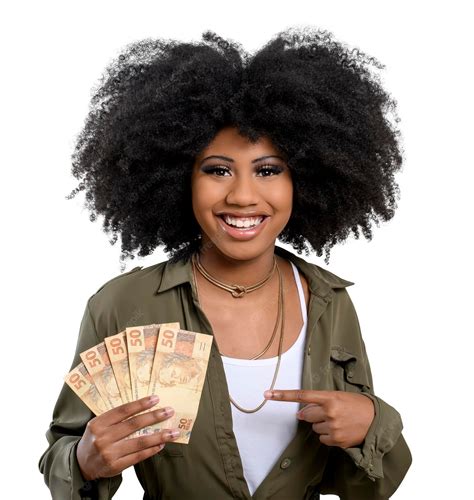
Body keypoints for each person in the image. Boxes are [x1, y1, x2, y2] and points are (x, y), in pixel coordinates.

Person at [39, 27, 412, 499]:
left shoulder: (327, 302)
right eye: (217, 170)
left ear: (305, 180)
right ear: (179, 179)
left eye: (268, 170)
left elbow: (361, 486)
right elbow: (63, 454)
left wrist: (373, 426)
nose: (241, 196)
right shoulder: (122, 306)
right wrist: (84, 461)